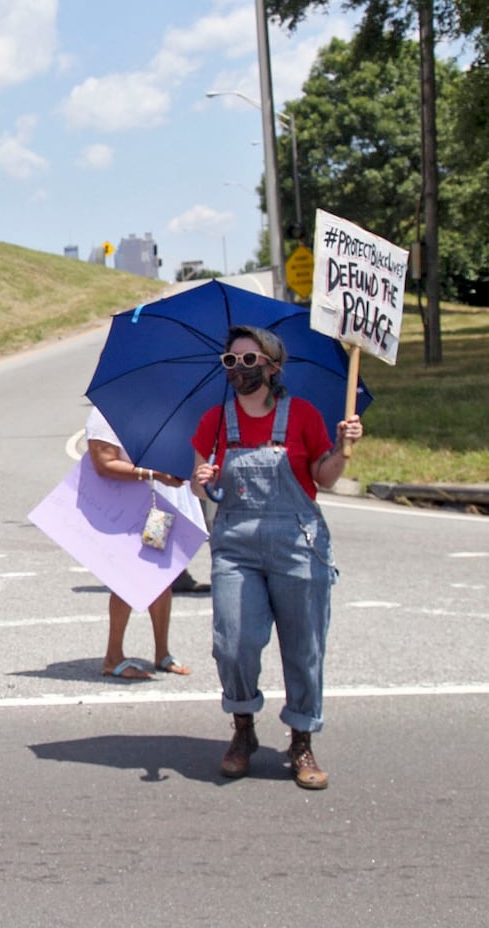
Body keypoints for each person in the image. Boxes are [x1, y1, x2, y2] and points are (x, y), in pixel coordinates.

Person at [191, 325, 364, 791]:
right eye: (231, 362)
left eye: (249, 361)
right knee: (233, 642)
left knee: (304, 647)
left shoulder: (303, 415)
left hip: (298, 543)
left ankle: (301, 739)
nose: (239, 370)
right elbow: (201, 483)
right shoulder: (214, 421)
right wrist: (203, 478)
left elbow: (323, 478)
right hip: (235, 547)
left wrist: (344, 450)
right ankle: (243, 729)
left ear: (271, 366)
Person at [84, 405, 199, 681]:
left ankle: (162, 652)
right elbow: (104, 463)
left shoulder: (158, 409)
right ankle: (113, 657)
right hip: (126, 509)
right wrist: (154, 474)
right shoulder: (104, 413)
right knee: (128, 577)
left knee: (161, 573)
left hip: (157, 506)